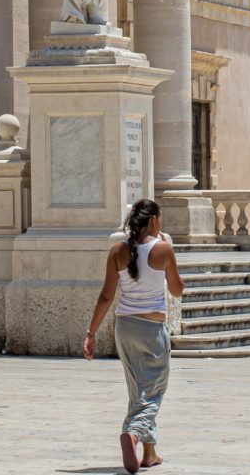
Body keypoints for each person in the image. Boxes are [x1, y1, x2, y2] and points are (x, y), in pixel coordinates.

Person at [85, 199, 185, 473]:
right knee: (153, 391)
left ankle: (150, 453)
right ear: (153, 220)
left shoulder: (117, 251)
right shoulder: (163, 250)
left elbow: (106, 296)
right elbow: (177, 290)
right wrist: (171, 252)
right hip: (151, 328)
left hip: (124, 327)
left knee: (138, 390)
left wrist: (91, 332)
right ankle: (133, 432)